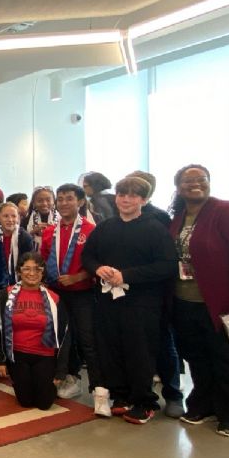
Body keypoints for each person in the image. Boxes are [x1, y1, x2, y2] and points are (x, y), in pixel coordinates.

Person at [169, 165, 229, 437]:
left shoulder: (228, 211)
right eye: (188, 181)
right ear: (179, 187)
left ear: (210, 183)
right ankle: (204, 405)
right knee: (199, 359)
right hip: (188, 303)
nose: (195, 184)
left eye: (201, 179)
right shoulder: (178, 217)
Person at [82, 176, 177, 425]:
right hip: (108, 301)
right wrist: (98, 268)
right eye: (122, 194)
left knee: (140, 351)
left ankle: (144, 401)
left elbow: (166, 266)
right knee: (111, 348)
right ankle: (121, 395)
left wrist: (128, 275)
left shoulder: (155, 229)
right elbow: (88, 255)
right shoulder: (105, 227)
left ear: (144, 200)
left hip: (142, 303)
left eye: (133, 195)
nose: (126, 199)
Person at [127, 170, 184, 418]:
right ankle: (140, 393)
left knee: (163, 344)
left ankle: (173, 394)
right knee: (136, 347)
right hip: (127, 295)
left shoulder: (159, 217)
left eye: (138, 189)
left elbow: (164, 261)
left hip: (155, 293)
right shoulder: (121, 218)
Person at [39, 184, 102, 411]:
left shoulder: (91, 230)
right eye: (61, 199)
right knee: (64, 340)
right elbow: (44, 262)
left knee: (88, 340)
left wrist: (78, 277)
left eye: (69, 199)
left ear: (81, 202)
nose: (64, 203)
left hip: (83, 293)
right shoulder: (49, 232)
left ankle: (99, 389)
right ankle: (71, 377)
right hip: (58, 294)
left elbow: (99, 263)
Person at [0, 253, 69, 410]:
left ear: (43, 272)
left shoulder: (54, 298)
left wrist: (61, 369)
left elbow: (65, 335)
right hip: (18, 356)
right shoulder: (5, 295)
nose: (32, 273)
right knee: (25, 401)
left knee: (44, 404)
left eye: (37, 269)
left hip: (45, 356)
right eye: (27, 269)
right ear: (19, 271)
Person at [0, 202, 34, 293]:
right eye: (6, 216)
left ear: (18, 218)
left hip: (21, 283)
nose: (10, 219)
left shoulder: (24, 237)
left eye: (13, 216)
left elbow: (30, 262)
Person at [22, 186, 59, 251]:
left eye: (48, 200)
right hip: (33, 257)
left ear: (54, 202)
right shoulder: (25, 221)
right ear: (34, 203)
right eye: (40, 201)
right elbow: (21, 243)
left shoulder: (61, 219)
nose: (44, 204)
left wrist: (52, 231)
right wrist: (32, 232)